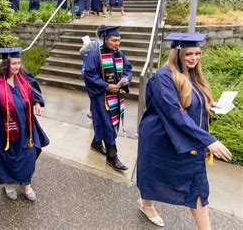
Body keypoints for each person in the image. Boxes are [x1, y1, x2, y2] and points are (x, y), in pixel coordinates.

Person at [137, 33, 233, 228]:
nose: (194, 58)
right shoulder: (163, 78)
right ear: (178, 53)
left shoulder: (193, 74)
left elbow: (190, 101)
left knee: (196, 185)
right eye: (189, 53)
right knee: (153, 173)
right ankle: (146, 204)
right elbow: (174, 113)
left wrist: (209, 103)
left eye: (198, 53)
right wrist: (209, 140)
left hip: (187, 139)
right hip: (161, 137)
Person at [0, 47, 50, 201]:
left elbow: (34, 88)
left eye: (19, 63)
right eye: (14, 64)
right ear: (5, 65)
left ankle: (26, 184)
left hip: (26, 128)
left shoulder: (23, 77)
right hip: (4, 132)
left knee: (28, 156)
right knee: (7, 159)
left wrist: (37, 102)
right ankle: (8, 184)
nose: (18, 67)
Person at [83, 26, 132, 171]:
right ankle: (112, 157)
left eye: (119, 40)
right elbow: (89, 75)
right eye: (114, 40)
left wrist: (126, 79)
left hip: (116, 95)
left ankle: (96, 143)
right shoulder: (95, 55)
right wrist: (105, 86)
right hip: (101, 97)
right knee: (108, 124)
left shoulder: (120, 54)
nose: (117, 43)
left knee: (109, 123)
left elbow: (128, 69)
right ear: (105, 39)